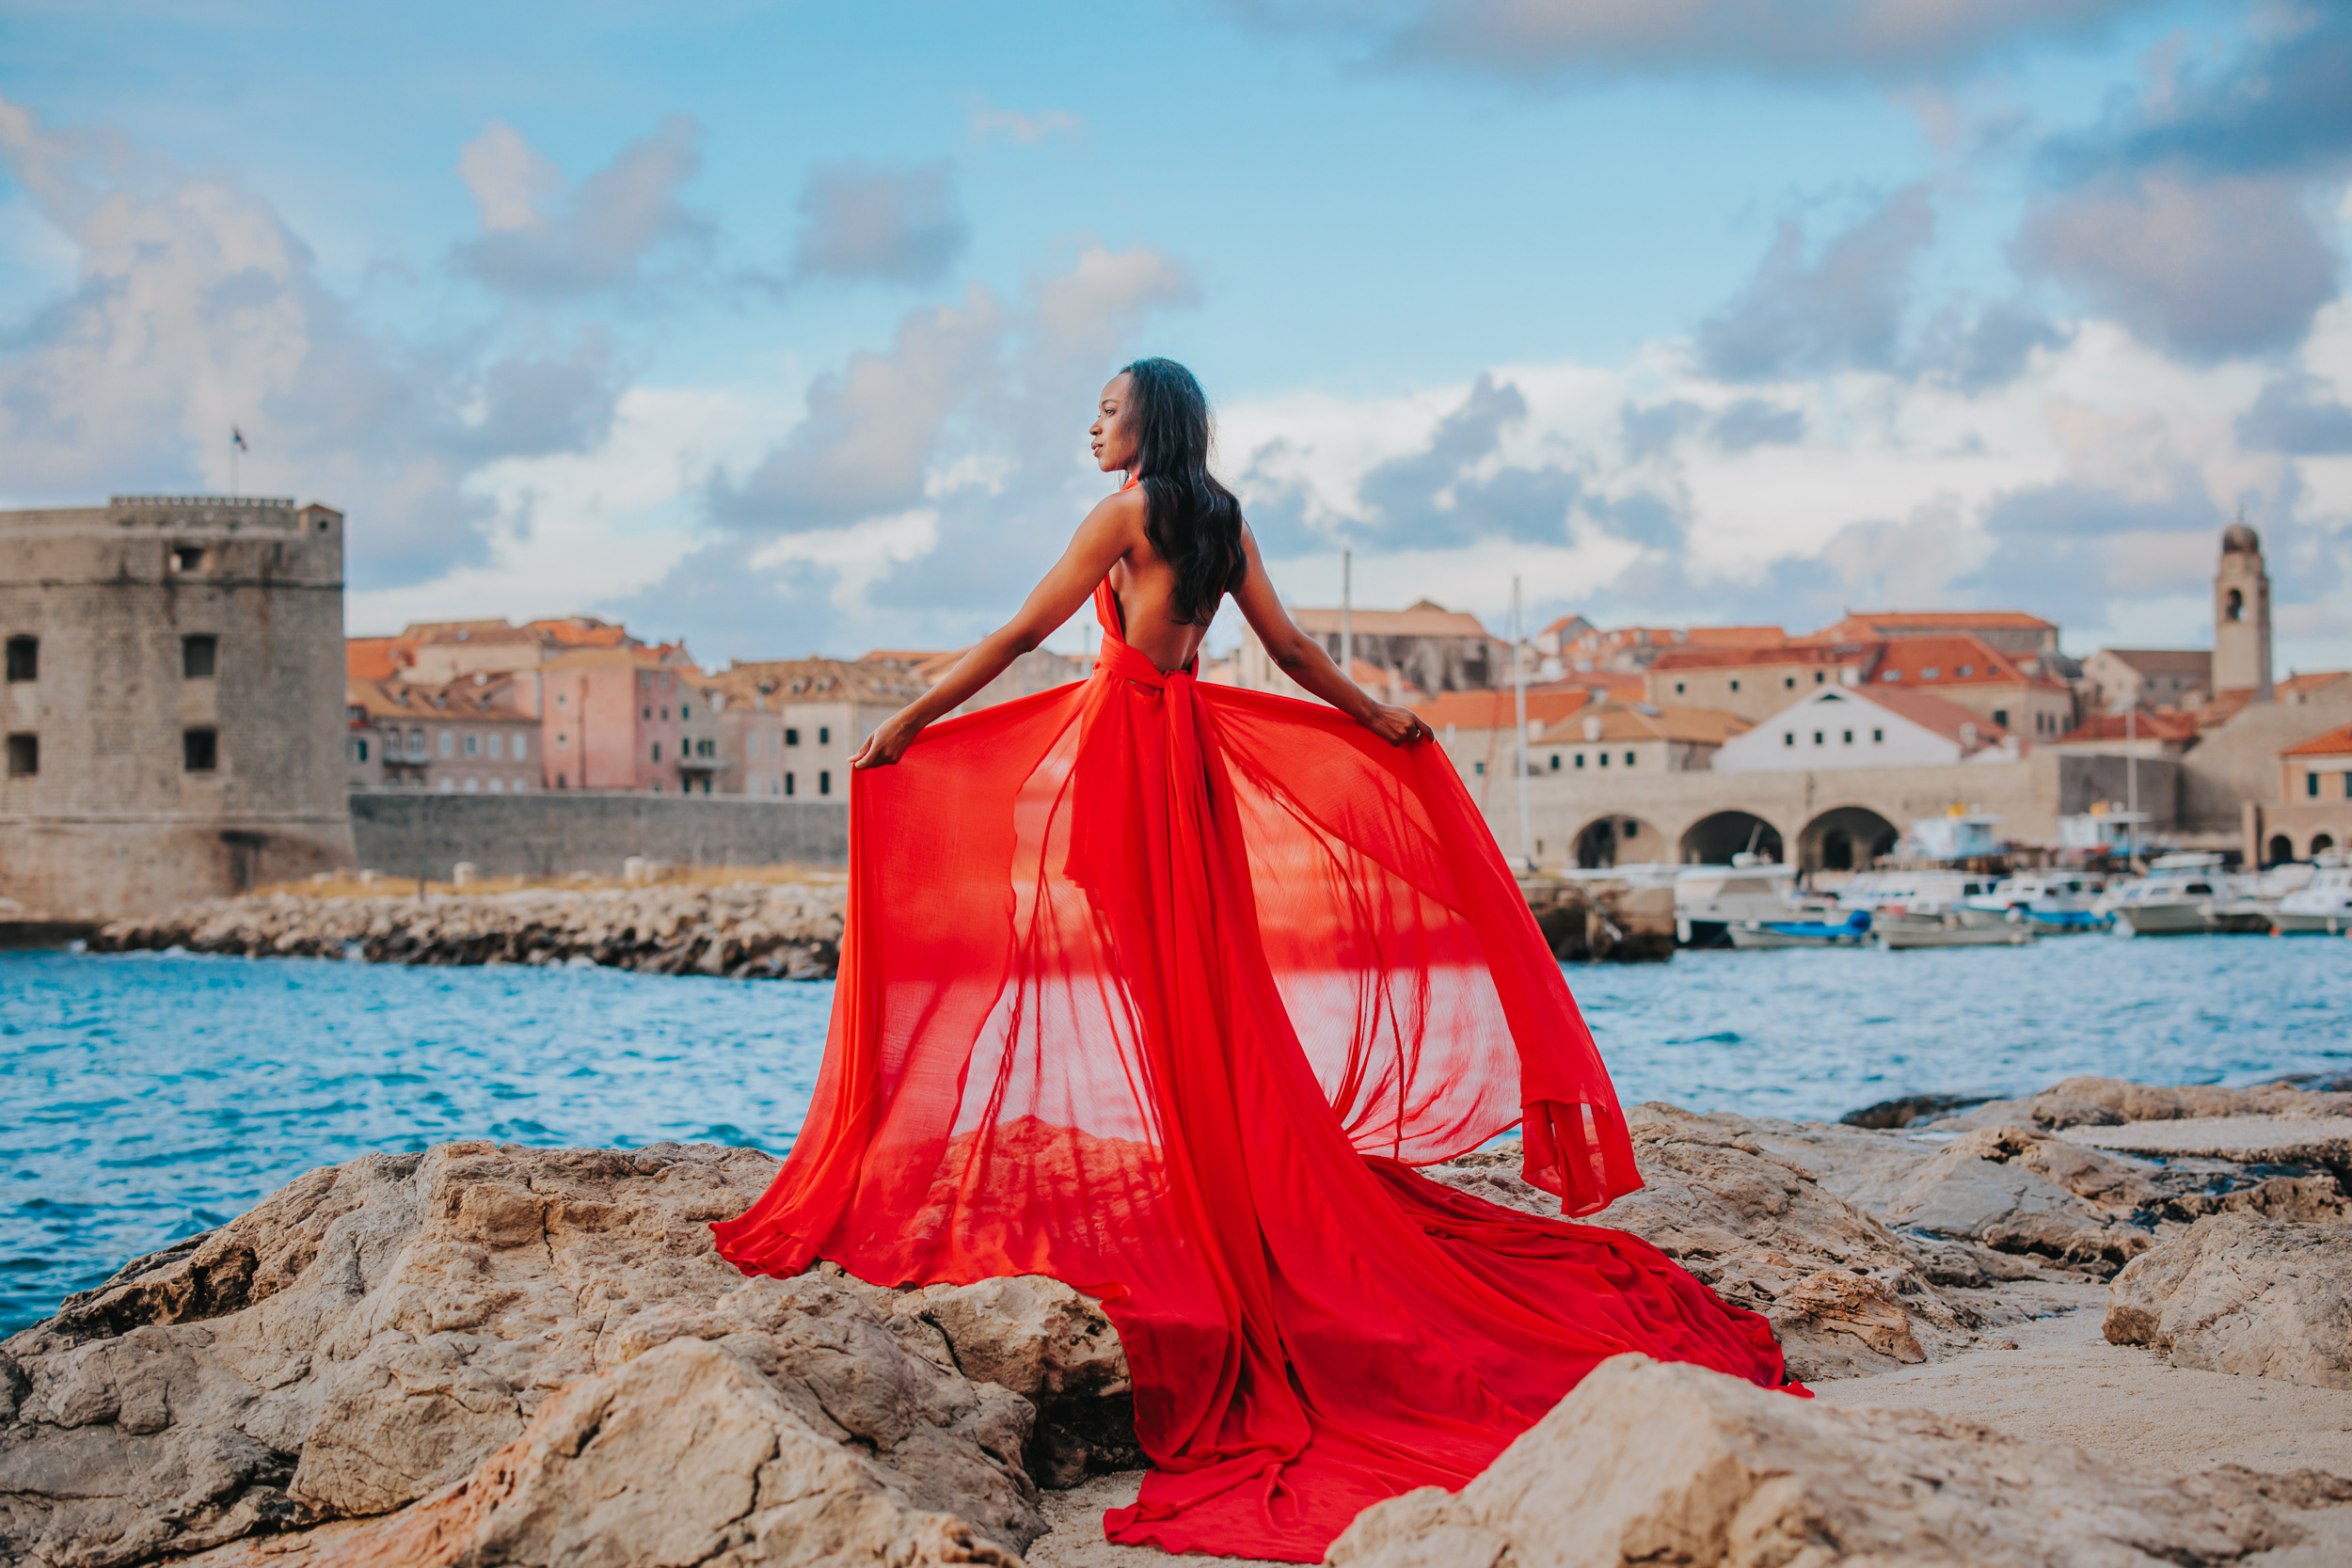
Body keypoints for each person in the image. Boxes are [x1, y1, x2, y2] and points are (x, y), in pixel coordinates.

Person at [714, 357, 1794, 1563]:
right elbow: (1285, 649)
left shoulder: (1126, 512)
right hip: (1181, 759)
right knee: (1197, 978)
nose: (1092, 424)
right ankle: (1221, 1166)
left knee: (1158, 970)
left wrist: (914, 720)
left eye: (1107, 409)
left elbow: (1024, 629)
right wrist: (1373, 716)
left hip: (1128, 753)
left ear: (1147, 423)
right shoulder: (1220, 517)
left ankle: (1213, 1187)